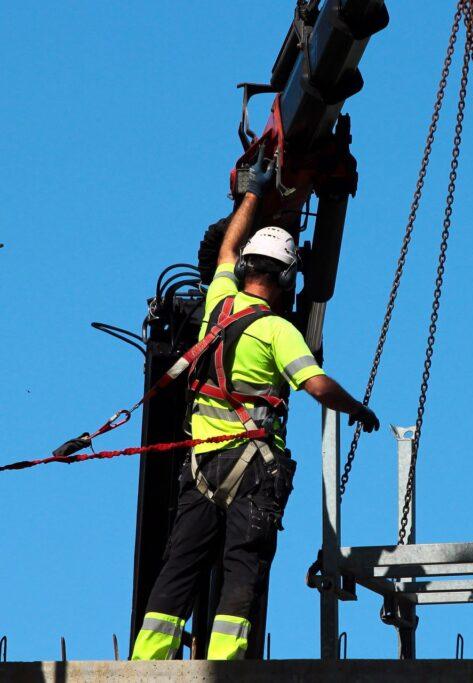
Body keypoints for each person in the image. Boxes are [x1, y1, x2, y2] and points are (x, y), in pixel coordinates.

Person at [132, 149, 379, 661]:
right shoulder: (277, 330)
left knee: (179, 567)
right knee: (242, 567)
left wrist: (253, 192)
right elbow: (316, 387)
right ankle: (224, 667)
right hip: (253, 470)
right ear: (288, 280)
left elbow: (224, 251)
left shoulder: (218, 305)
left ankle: (145, 666)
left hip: (200, 464)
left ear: (246, 267)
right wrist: (357, 408)